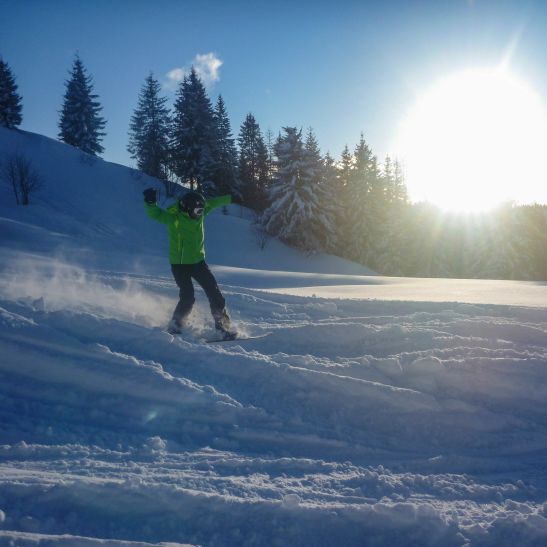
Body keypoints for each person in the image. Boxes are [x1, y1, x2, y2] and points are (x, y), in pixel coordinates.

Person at [143, 187, 235, 338]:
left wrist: (231, 198)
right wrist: (150, 202)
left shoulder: (200, 213)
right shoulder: (174, 218)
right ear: (187, 209)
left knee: (214, 293)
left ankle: (223, 328)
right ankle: (175, 325)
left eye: (201, 210)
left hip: (198, 262)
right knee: (188, 296)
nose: (200, 214)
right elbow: (156, 214)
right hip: (179, 265)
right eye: (197, 211)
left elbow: (214, 202)